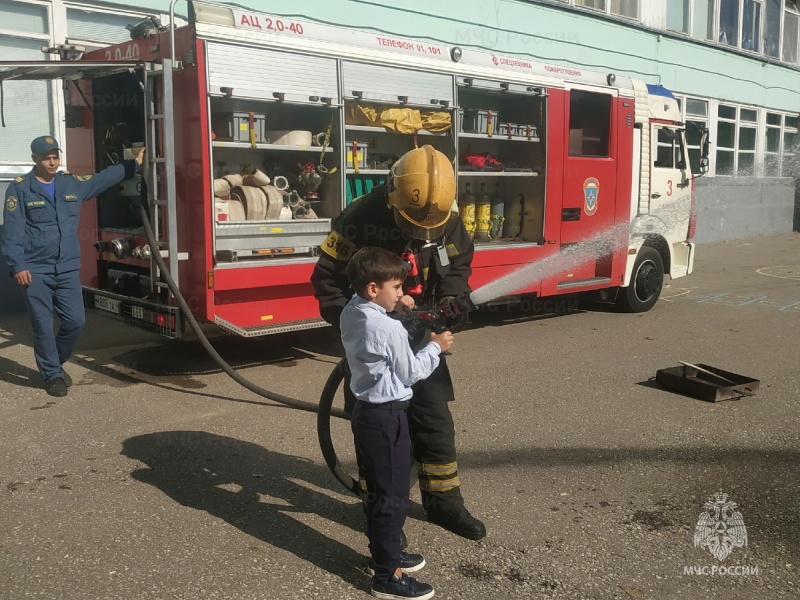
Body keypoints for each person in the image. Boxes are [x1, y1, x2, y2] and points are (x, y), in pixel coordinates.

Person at [312, 145, 486, 541]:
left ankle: (444, 504)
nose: (421, 235)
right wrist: (359, 328)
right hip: (373, 347)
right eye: (412, 226)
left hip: (421, 338)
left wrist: (446, 303)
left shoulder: (448, 213)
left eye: (431, 229)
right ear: (392, 198)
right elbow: (326, 279)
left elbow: (457, 265)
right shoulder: (359, 219)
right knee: (377, 431)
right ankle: (383, 514)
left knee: (434, 421)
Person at [342, 246, 452, 600]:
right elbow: (411, 373)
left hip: (366, 414)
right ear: (374, 289)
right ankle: (388, 576)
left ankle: (382, 555)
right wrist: (436, 346)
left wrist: (398, 309)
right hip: (389, 416)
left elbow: (379, 326)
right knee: (393, 496)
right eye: (396, 289)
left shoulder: (352, 310)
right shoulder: (388, 329)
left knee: (376, 490)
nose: (402, 296)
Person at [2, 135, 145, 397]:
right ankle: (52, 375)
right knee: (43, 325)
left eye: (56, 156)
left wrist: (133, 165)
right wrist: (18, 265)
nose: (53, 162)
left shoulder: (70, 183)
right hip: (35, 270)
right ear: (34, 159)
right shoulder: (20, 189)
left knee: (76, 321)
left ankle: (54, 361)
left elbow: (101, 179)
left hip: (66, 268)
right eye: (47, 157)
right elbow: (12, 233)